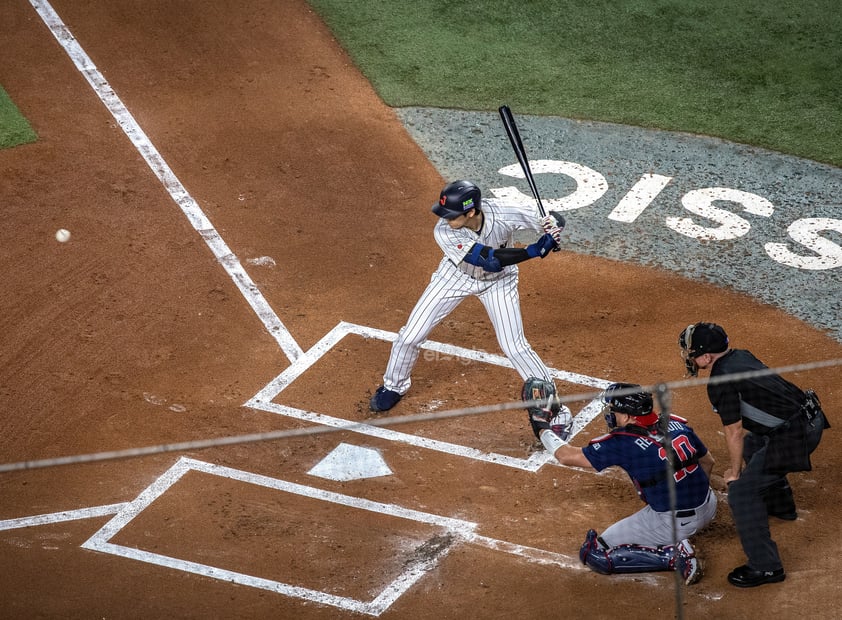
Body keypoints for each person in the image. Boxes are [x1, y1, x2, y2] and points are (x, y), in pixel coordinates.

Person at [370, 179, 565, 414]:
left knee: (514, 346)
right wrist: (534, 250)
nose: (446, 219)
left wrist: (552, 226)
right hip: (454, 278)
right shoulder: (444, 231)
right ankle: (394, 386)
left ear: (471, 211)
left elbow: (553, 217)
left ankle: (549, 400)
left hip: (499, 283)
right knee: (410, 337)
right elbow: (489, 260)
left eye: (452, 215)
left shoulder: (503, 212)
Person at [678, 322, 829, 587]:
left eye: (692, 351)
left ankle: (766, 567)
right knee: (753, 444)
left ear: (706, 356)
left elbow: (733, 430)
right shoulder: (741, 356)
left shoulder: (720, 382)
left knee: (742, 493)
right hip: (809, 418)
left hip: (796, 436)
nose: (689, 356)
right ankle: (782, 507)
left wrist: (735, 473)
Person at [526, 379, 717, 585]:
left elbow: (566, 455)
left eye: (615, 410)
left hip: (674, 522)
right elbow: (708, 462)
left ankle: (675, 557)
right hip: (709, 504)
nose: (611, 414)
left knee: (596, 552)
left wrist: (542, 427)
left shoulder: (624, 442)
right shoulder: (674, 422)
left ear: (627, 416)